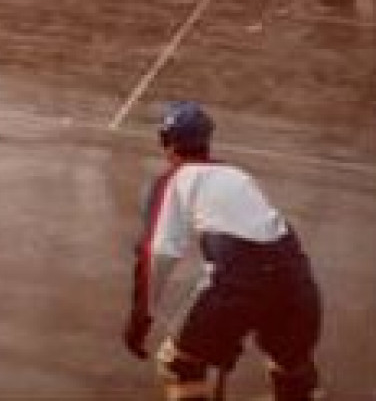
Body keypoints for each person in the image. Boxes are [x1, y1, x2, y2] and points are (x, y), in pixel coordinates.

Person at [122, 101, 323, 401]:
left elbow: (158, 254)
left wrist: (140, 318)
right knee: (291, 367)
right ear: (207, 141)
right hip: (296, 282)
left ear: (167, 143)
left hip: (238, 284)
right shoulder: (238, 175)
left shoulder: (173, 181)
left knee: (180, 365)